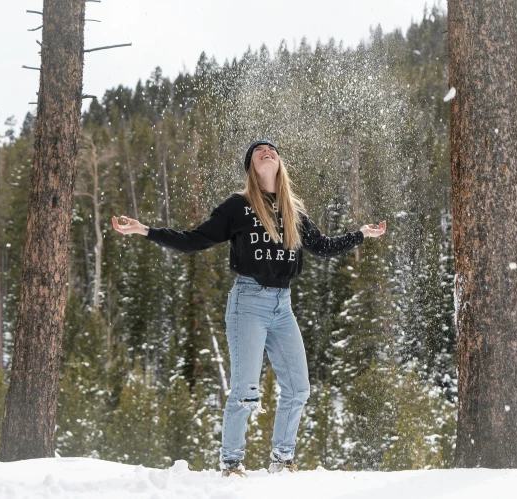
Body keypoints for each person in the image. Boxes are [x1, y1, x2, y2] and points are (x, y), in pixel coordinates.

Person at [111, 140, 386, 476]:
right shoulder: (237, 207)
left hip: (283, 305)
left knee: (298, 388)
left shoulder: (294, 211)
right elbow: (194, 240)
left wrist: (360, 234)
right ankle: (231, 465)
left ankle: (282, 462)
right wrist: (146, 230)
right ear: (251, 168)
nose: (266, 151)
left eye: (271, 149)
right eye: (258, 152)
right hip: (249, 302)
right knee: (246, 390)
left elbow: (323, 247)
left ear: (279, 162)